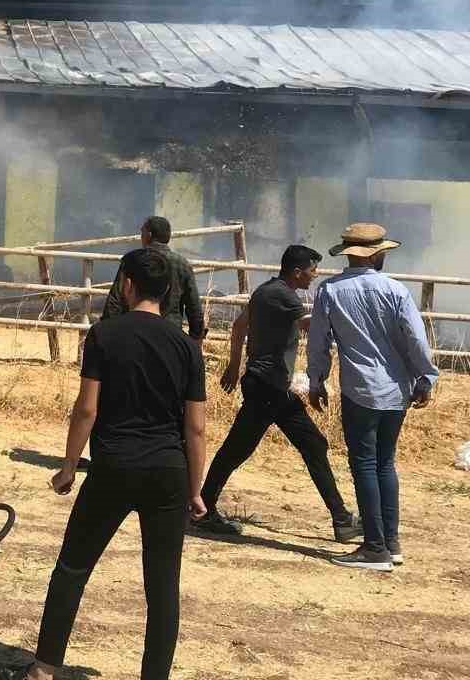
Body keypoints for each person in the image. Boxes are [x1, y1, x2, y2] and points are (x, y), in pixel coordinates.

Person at [23, 248, 207, 680]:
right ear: (168, 291)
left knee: (72, 568)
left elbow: (87, 408)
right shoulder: (186, 348)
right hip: (167, 474)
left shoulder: (105, 335)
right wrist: (195, 489)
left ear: (127, 285)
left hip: (114, 467)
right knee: (163, 586)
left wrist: (69, 465)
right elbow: (196, 428)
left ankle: (45, 667)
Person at [191, 245, 360, 541]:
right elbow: (311, 325)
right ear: (297, 271)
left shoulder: (265, 291)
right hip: (268, 387)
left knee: (290, 446)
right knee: (293, 446)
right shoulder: (283, 296)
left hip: (266, 386)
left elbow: (239, 325)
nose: (314, 275)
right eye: (311, 270)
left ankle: (201, 509)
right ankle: (342, 519)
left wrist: (235, 366)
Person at [308, 223, 438, 571]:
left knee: (364, 463)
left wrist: (316, 380)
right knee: (385, 463)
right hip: (396, 389)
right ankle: (390, 542)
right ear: (378, 253)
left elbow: (319, 341)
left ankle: (375, 547)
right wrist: (425, 378)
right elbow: (416, 339)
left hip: (360, 388)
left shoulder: (330, 291)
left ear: (349, 253)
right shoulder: (396, 291)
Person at [100, 216, 206, 341]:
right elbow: (193, 306)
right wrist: (195, 337)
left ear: (149, 234)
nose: (141, 236)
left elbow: (115, 300)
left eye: (142, 231)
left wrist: (107, 330)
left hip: (133, 333)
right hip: (170, 335)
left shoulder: (133, 260)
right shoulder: (182, 264)